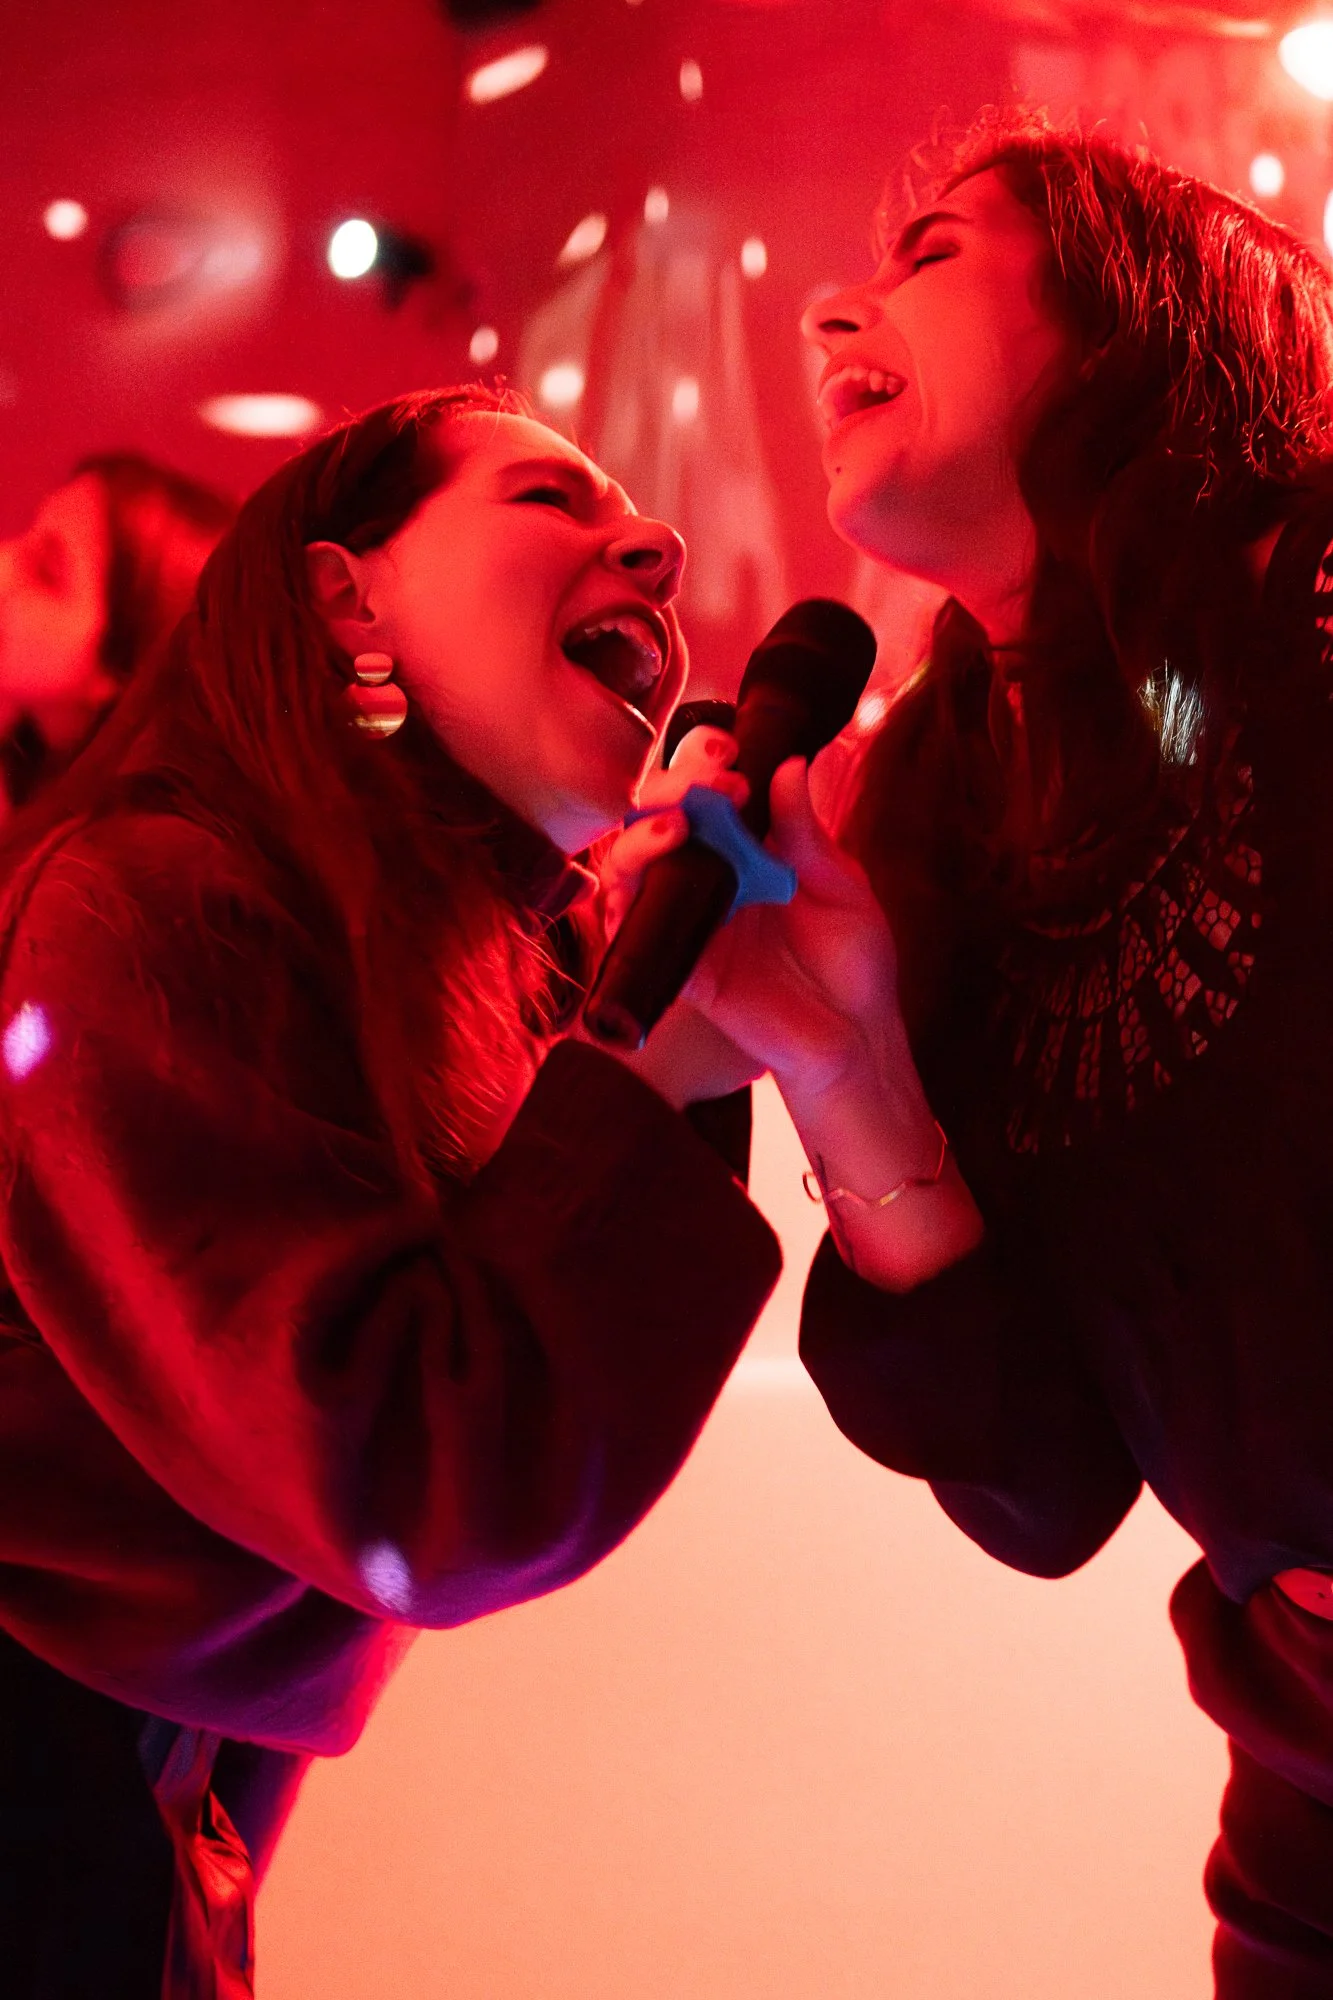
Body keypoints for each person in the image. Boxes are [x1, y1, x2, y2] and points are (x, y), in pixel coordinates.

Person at [605, 118, 1333, 1996]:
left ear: (1128, 324)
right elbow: (1042, 1484)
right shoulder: (927, 802)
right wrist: (841, 1074)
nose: (840, 302)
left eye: (932, 250)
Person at [0, 384, 787, 1997]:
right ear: (343, 593)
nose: (653, 539)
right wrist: (658, 1073)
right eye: (546, 500)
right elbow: (426, 1480)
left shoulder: (444, 974)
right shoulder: (152, 904)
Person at [0, 452, 233, 812]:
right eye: (28, 534)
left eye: (46, 572)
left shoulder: (113, 858)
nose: (3, 564)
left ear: (125, 673)